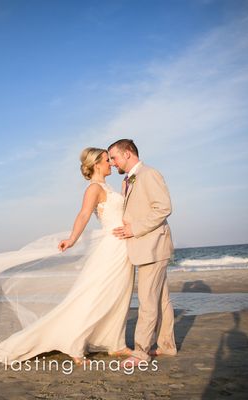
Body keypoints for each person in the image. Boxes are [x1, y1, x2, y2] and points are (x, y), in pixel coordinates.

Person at [0, 147, 135, 366]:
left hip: (122, 247)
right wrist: (72, 239)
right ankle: (74, 344)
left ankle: (115, 343)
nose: (111, 163)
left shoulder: (108, 186)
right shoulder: (94, 188)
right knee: (95, 296)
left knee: (118, 294)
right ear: (96, 164)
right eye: (106, 160)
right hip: (111, 247)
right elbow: (83, 214)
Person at [108, 139, 177, 366]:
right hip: (145, 247)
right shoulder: (128, 180)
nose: (112, 162)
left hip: (152, 246)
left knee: (147, 300)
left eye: (114, 157)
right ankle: (167, 345)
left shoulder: (149, 174)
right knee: (161, 298)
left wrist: (133, 229)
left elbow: (164, 207)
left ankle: (140, 352)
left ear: (127, 154)